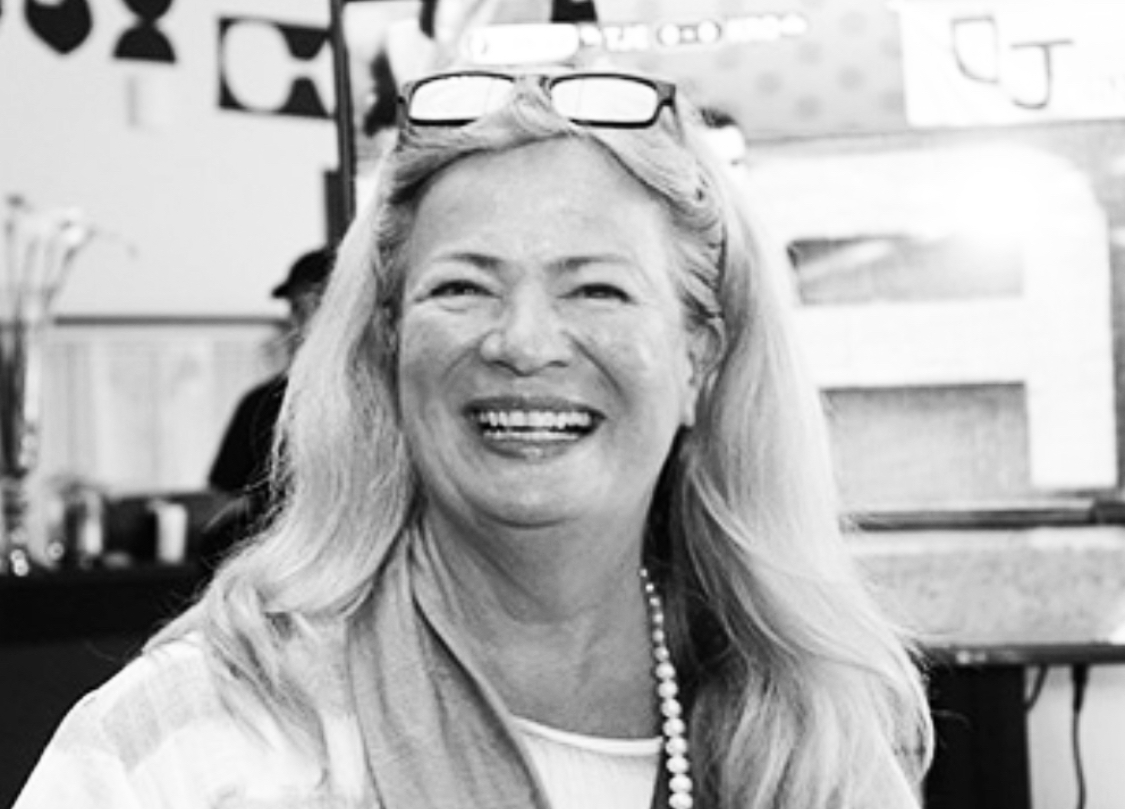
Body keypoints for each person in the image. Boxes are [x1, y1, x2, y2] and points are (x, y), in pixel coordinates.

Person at [15, 70, 932, 808]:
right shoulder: (205, 731)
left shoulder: (805, 739)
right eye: (462, 287)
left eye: (596, 289)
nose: (524, 342)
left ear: (698, 359)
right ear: (387, 344)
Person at [199, 246, 331, 567]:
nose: (303, 321)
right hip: (282, 568)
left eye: (315, 303)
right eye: (298, 308)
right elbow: (222, 501)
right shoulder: (261, 405)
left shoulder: (387, 396)